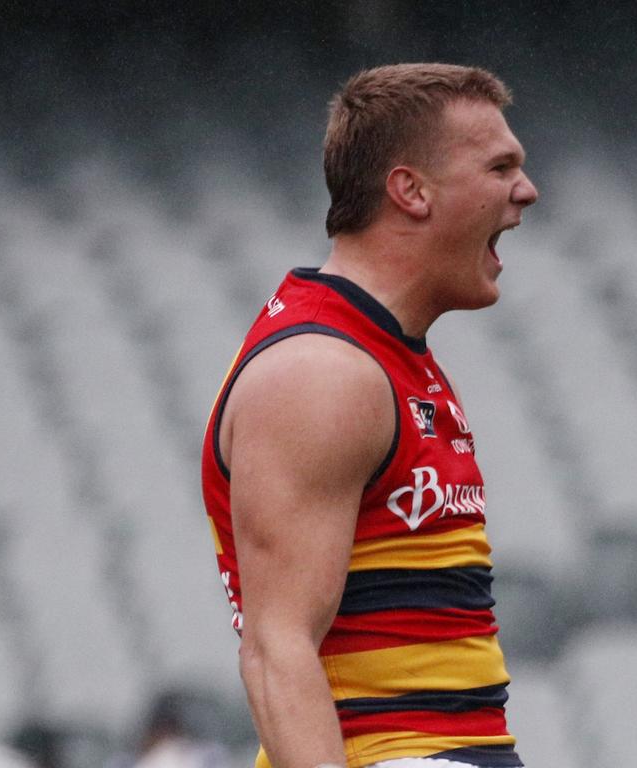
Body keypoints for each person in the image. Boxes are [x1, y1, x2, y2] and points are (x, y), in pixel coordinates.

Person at [200, 63, 538, 768]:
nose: (526, 192)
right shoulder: (323, 372)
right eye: (500, 166)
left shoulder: (386, 354)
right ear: (411, 190)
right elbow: (276, 647)